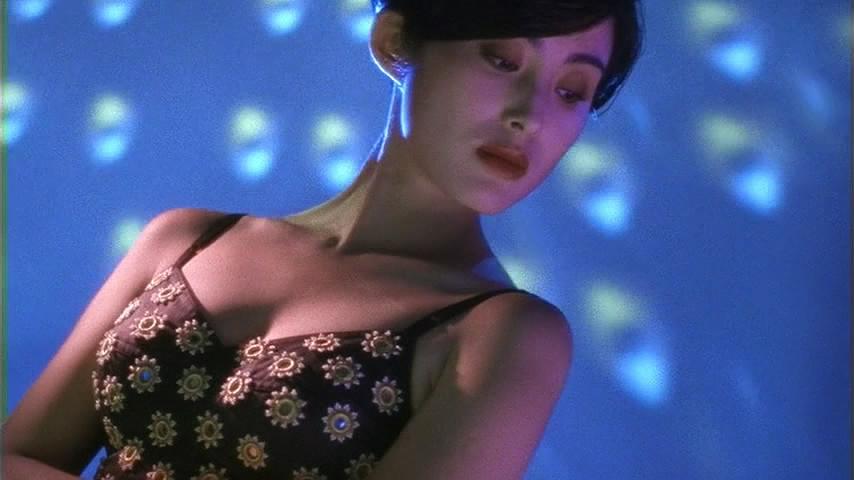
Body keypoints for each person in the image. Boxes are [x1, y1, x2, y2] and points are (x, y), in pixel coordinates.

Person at [2, 0, 643, 478]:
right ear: (396, 41)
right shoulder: (185, 242)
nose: (529, 115)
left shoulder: (505, 335)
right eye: (501, 59)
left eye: (572, 91)